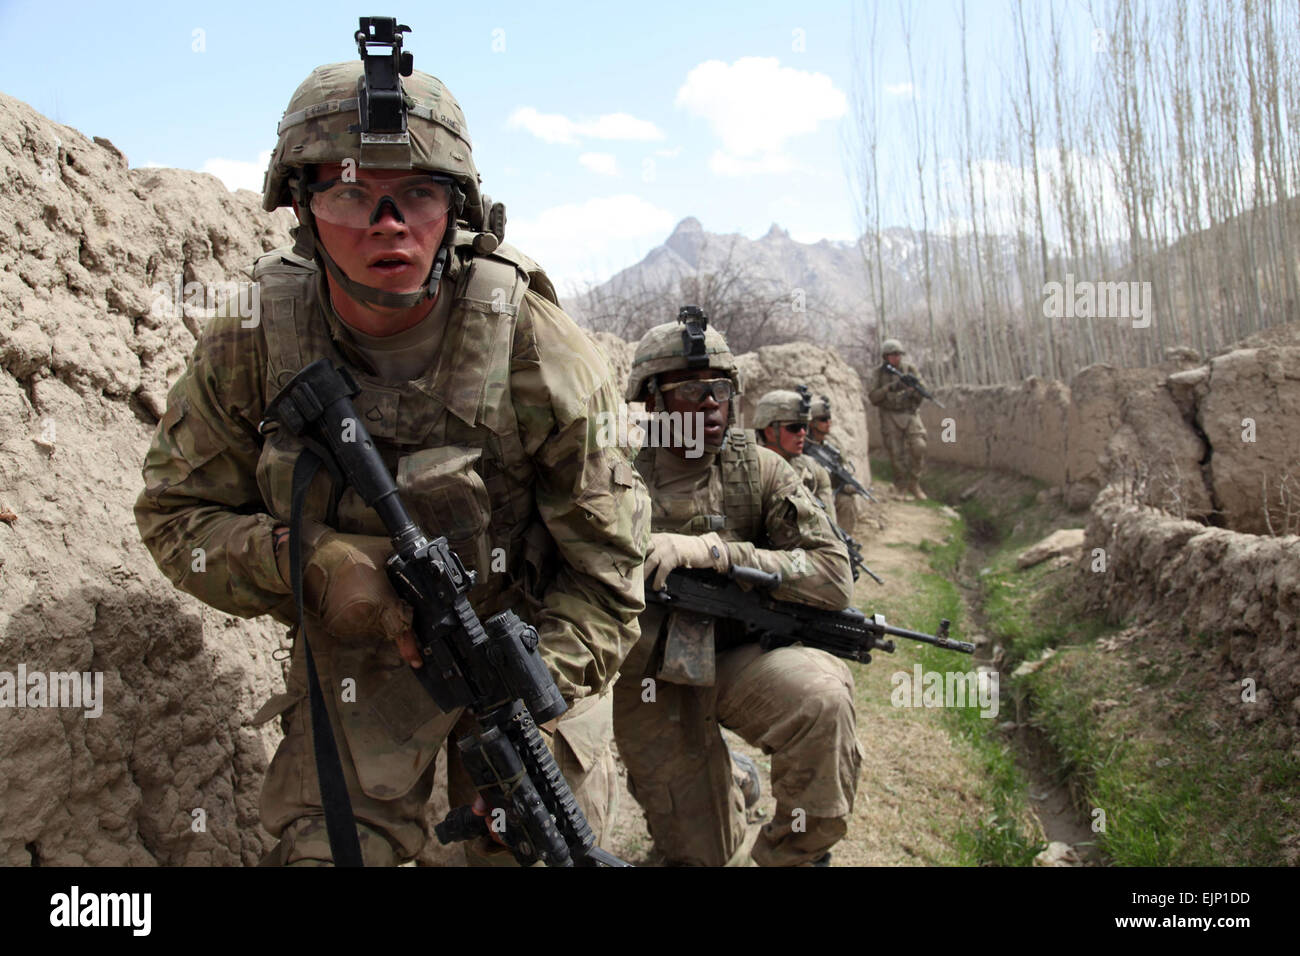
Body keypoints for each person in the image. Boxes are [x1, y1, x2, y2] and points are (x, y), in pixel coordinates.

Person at [134, 39, 648, 866]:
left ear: (459, 210)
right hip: (360, 670)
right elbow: (172, 520)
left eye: (417, 193)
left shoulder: (537, 349)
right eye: (349, 193)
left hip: (533, 652)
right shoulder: (256, 337)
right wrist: (309, 562)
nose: (389, 224)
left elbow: (612, 571)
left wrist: (525, 697)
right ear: (300, 207)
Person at [613, 308, 861, 866]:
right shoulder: (612, 473)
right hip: (653, 677)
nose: (709, 405)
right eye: (690, 391)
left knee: (822, 698)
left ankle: (792, 856)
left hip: (739, 658)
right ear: (650, 402)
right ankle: (731, 782)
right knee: (698, 856)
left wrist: (718, 554)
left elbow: (833, 577)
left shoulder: (762, 470)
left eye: (720, 390)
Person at [752, 388, 835, 513]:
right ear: (769, 431)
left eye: (804, 426)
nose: (802, 433)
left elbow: (828, 525)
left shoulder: (814, 472)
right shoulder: (748, 473)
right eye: (794, 427)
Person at [867, 338, 928, 500]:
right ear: (886, 356)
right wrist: (890, 388)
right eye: (893, 355)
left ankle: (914, 483)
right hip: (889, 415)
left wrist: (912, 389)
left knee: (919, 446)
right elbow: (873, 397)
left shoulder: (909, 369)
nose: (897, 358)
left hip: (910, 412)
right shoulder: (878, 373)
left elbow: (924, 390)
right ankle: (900, 486)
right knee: (896, 453)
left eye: (899, 354)